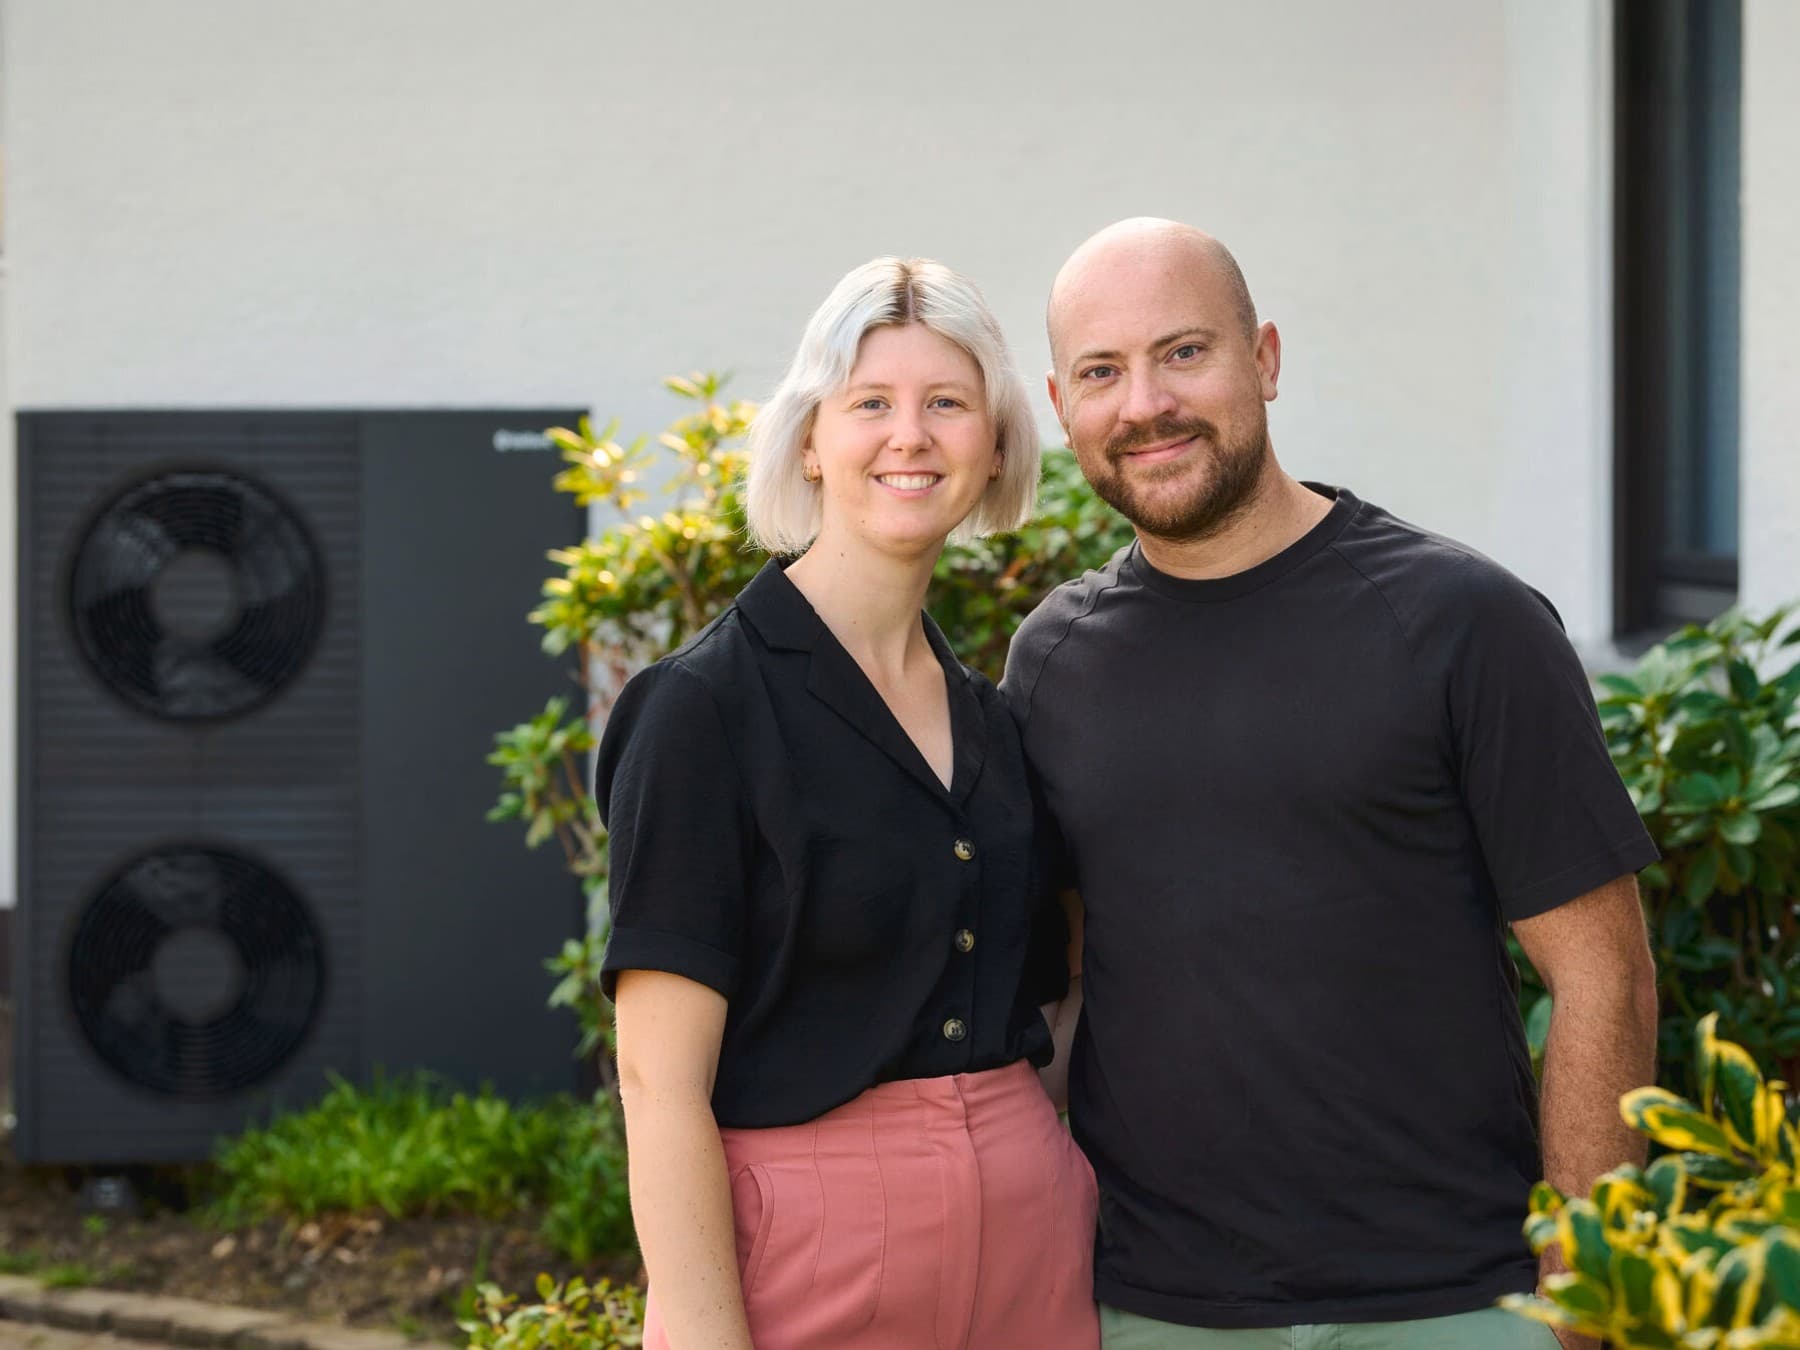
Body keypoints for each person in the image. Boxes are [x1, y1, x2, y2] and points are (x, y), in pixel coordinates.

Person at [1002, 218, 1660, 1350]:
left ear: (1264, 357)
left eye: (1184, 352)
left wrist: (1583, 1286)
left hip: (1458, 1302)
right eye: (1102, 373)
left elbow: (1606, 973)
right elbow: (1058, 991)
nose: (1145, 402)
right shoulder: (1052, 662)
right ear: (1063, 410)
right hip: (1157, 1310)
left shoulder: (1465, 622)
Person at [598, 256, 1101, 1350]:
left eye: (947, 404)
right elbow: (656, 1075)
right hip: (811, 1252)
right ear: (811, 441)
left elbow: (1053, 1003)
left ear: (997, 443)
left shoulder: (998, 719)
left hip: (1032, 1249)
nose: (909, 436)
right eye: (870, 402)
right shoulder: (701, 709)